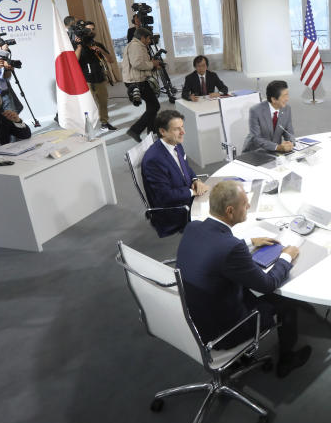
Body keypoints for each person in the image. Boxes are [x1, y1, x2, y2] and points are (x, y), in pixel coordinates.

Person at [176, 181, 312, 377]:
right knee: (287, 302)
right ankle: (287, 360)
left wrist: (249, 242)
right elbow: (268, 284)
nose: (248, 207)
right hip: (224, 332)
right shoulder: (232, 248)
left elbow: (213, 246)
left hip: (193, 317)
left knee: (248, 286)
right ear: (230, 211)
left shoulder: (194, 227)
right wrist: (287, 256)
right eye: (245, 204)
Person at [141, 109, 208, 237]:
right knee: (218, 216)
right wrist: (192, 192)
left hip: (186, 197)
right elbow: (164, 196)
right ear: (162, 131)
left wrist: (195, 180)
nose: (183, 132)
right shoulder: (154, 160)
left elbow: (186, 168)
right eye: (177, 129)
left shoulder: (175, 144)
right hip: (175, 210)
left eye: (182, 127)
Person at [73, 21, 116, 131]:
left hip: (100, 78)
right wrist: (79, 46)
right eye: (88, 29)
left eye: (93, 29)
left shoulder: (98, 45)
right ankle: (87, 127)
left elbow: (110, 60)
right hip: (86, 81)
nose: (91, 31)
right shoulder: (78, 46)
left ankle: (105, 123)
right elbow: (74, 62)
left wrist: (100, 50)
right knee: (88, 105)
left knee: (103, 102)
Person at [123, 27, 162, 143]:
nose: (150, 41)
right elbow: (137, 64)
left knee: (151, 106)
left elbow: (141, 65)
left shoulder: (138, 46)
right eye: (149, 38)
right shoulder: (135, 46)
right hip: (136, 82)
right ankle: (135, 130)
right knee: (155, 106)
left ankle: (152, 133)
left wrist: (153, 65)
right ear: (143, 37)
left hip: (138, 79)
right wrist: (152, 64)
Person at [243, 80, 294, 154]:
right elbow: (256, 139)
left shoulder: (287, 109)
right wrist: (278, 147)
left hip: (275, 151)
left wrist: (290, 142)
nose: (287, 99)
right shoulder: (255, 111)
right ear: (273, 99)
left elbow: (289, 132)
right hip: (256, 151)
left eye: (287, 95)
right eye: (284, 96)